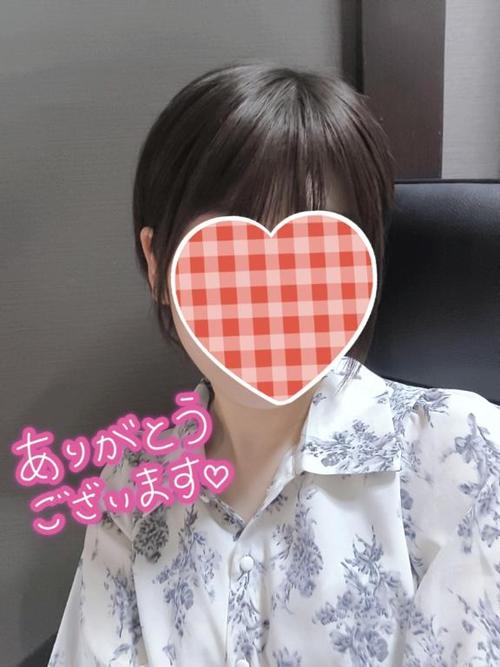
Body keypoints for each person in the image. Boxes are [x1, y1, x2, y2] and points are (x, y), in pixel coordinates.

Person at [48, 62, 500, 667]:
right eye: (225, 255)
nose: (271, 296)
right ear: (158, 265)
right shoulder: (131, 490)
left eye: (316, 255)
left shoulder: (464, 453)